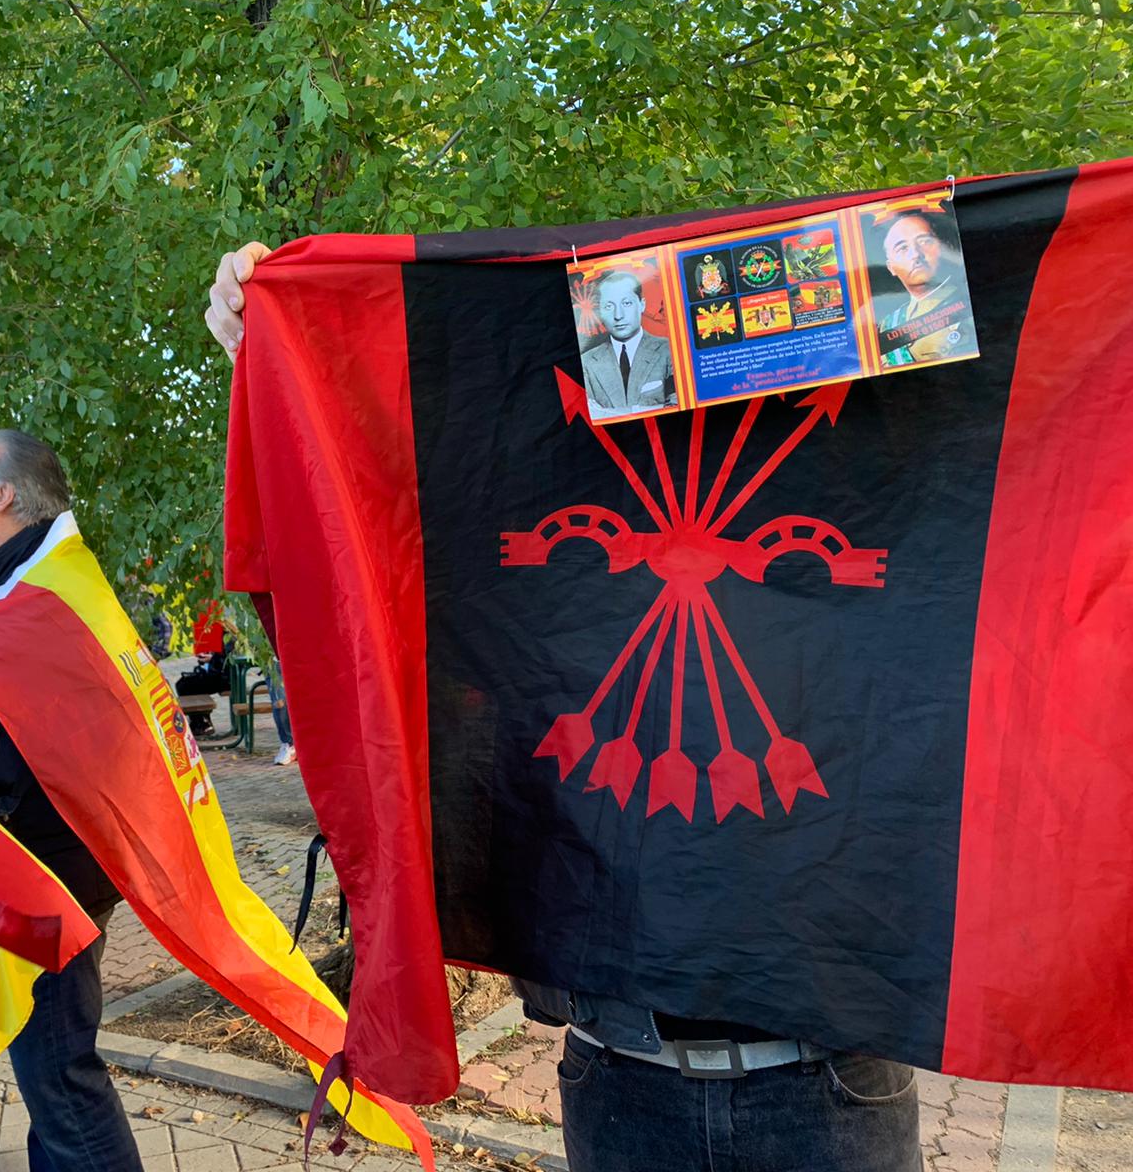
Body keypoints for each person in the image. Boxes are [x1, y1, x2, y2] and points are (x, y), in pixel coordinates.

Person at [205, 244, 921, 1172]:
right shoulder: (541, 584)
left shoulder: (861, 570)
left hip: (828, 1086)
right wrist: (280, 350)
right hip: (619, 1077)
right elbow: (385, 527)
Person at [0, 431, 140, 1172]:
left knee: (63, 1082)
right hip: (45, 877)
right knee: (53, 1082)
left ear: (4, 496)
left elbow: (45, 769)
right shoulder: (17, 589)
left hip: (44, 885)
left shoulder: (36, 602)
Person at [875, 210, 978, 368]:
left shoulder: (970, 299)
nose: (915, 254)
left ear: (945, 247)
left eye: (924, 241)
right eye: (902, 248)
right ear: (891, 267)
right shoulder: (886, 325)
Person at [579, 270, 676, 419]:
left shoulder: (670, 351)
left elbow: (678, 407)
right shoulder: (587, 362)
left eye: (627, 303)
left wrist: (607, 413)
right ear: (600, 312)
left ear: (642, 305)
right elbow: (589, 416)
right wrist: (657, 407)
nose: (618, 315)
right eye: (609, 306)